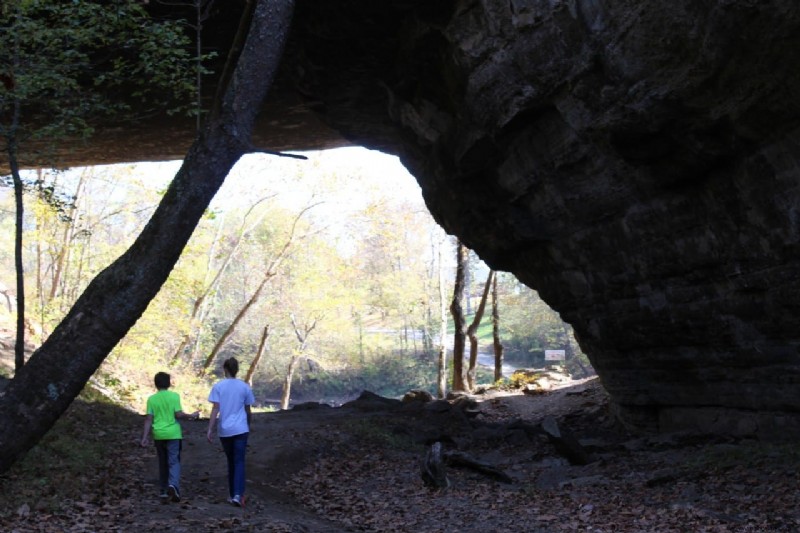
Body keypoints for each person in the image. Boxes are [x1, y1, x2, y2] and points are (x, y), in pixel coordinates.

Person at [140, 372, 199, 503]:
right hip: (173, 434)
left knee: (162, 462)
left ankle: (163, 490)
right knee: (174, 461)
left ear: (156, 384)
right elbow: (178, 414)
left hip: (159, 434)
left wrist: (144, 437)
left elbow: (149, 419)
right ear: (168, 383)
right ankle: (173, 485)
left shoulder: (152, 399)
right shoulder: (174, 396)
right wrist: (191, 416)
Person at [206, 357, 255, 507]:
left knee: (231, 461)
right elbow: (248, 410)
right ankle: (238, 495)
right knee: (239, 461)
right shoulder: (244, 387)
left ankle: (233, 494)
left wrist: (210, 428)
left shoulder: (218, 386)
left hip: (225, 429)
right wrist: (247, 425)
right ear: (237, 370)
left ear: (225, 369)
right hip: (241, 429)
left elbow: (215, 408)